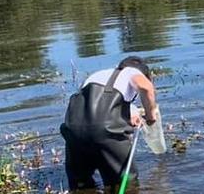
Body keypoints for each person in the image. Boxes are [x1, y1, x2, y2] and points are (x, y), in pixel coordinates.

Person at [60, 56, 159, 192]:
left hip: (73, 131)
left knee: (81, 184)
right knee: (124, 182)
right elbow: (146, 87)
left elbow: (97, 106)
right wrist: (150, 115)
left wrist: (131, 115)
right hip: (105, 132)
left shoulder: (96, 76)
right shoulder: (131, 72)